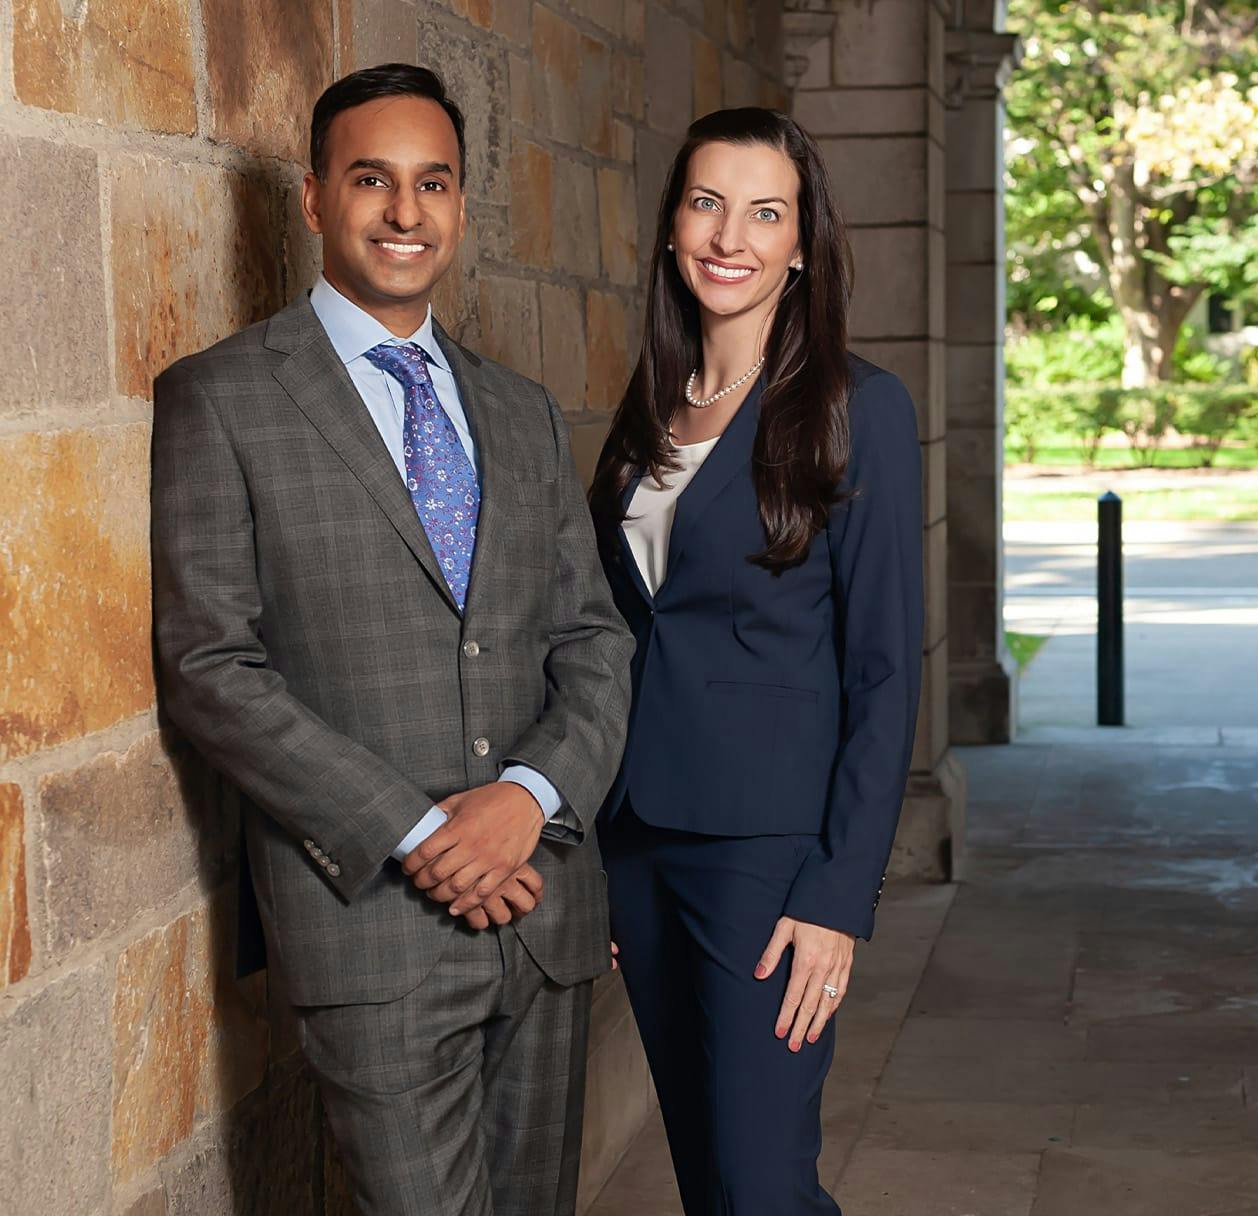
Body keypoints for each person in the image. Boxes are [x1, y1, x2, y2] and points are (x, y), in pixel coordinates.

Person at [151, 64, 633, 1216]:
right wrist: (417, 831)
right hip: (369, 929)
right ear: (315, 199)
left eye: (433, 184)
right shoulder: (221, 399)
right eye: (372, 180)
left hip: (545, 910)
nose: (405, 212)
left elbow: (594, 638)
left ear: (462, 205)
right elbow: (210, 663)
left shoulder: (517, 409)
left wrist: (526, 796)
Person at [588, 108, 924, 1214]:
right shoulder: (649, 412)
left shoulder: (856, 409)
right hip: (637, 843)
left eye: (763, 211)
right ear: (673, 227)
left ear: (797, 244)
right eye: (705, 202)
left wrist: (838, 896)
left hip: (768, 858)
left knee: (761, 1179)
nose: (729, 235)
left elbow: (882, 672)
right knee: (705, 1175)